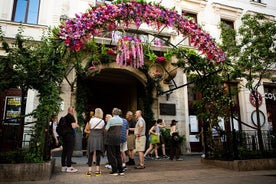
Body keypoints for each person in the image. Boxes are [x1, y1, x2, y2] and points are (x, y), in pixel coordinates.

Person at [85, 108, 105, 176]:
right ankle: (97, 170)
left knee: (90, 153)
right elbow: (103, 130)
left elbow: (88, 128)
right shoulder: (102, 121)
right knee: (98, 154)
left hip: (92, 137)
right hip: (99, 137)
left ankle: (89, 171)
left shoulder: (92, 119)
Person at [105, 108, 124, 176]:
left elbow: (106, 129)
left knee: (112, 155)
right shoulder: (121, 120)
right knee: (118, 155)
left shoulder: (111, 120)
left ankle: (114, 171)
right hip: (118, 138)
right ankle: (121, 170)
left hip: (111, 139)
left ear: (113, 113)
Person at [61, 106, 79, 173]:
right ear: (71, 111)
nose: (74, 112)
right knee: (69, 151)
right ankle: (69, 167)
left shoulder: (64, 117)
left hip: (64, 136)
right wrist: (77, 124)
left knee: (64, 151)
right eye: (73, 111)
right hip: (70, 136)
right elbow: (74, 126)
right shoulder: (71, 117)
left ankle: (63, 166)